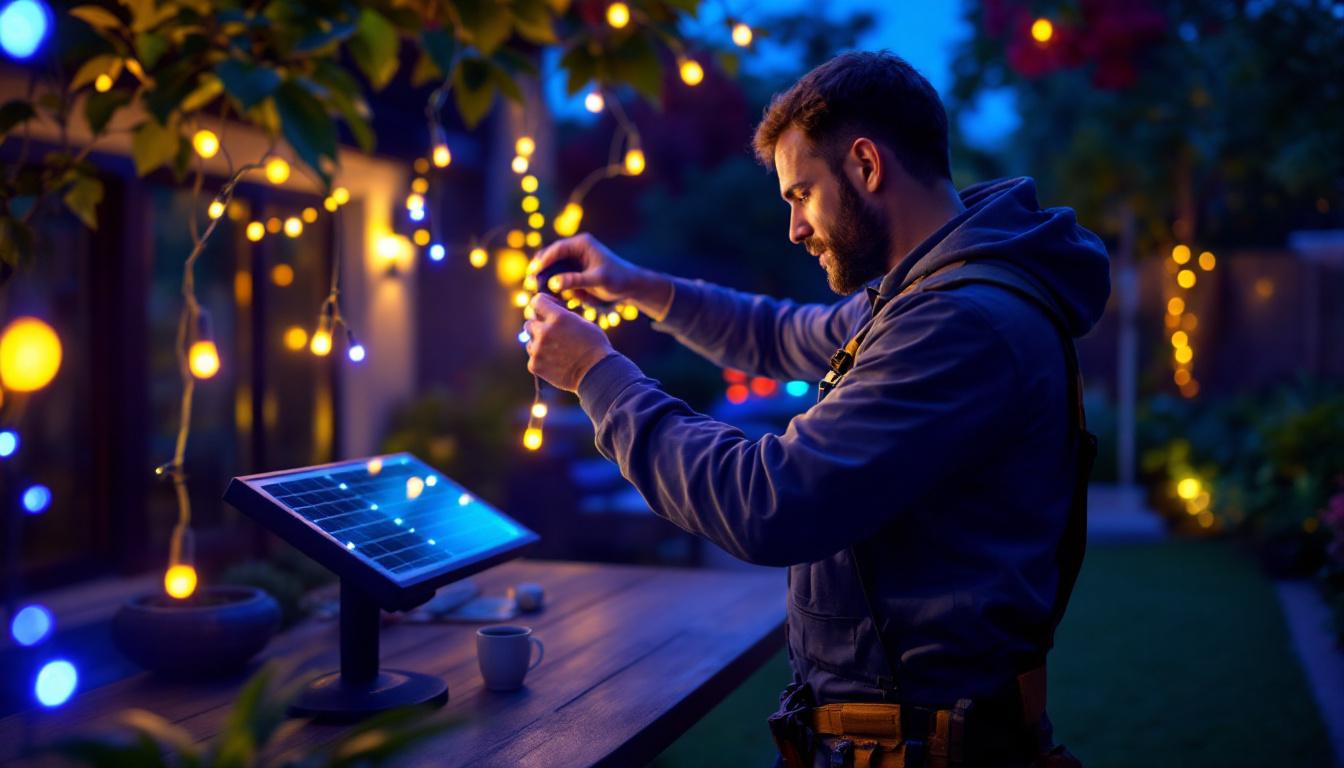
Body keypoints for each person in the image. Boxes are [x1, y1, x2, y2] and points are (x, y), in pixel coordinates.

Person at [523, 50, 1109, 768]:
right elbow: (777, 334)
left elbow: (771, 502)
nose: (795, 227)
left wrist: (595, 376)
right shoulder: (921, 297)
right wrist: (636, 285)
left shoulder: (957, 323)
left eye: (801, 193)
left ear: (865, 164)